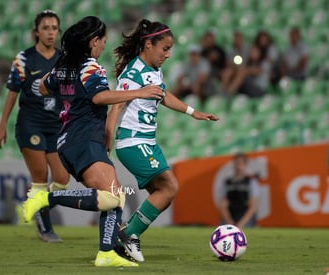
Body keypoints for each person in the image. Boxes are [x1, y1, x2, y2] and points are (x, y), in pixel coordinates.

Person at [22, 16, 165, 267]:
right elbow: (99, 97)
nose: (103, 47)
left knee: (115, 196)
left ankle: (105, 253)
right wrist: (139, 92)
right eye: (103, 42)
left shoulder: (64, 65)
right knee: (112, 197)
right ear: (93, 41)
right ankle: (45, 199)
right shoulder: (90, 66)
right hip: (84, 137)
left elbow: (43, 87)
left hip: (69, 140)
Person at [106, 19, 219, 263]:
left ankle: (126, 233)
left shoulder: (154, 70)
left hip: (147, 142)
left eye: (169, 49)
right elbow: (116, 105)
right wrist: (107, 137)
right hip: (133, 142)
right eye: (164, 49)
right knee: (170, 188)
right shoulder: (134, 72)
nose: (168, 54)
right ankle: (130, 234)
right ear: (148, 45)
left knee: (162, 195)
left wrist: (193, 112)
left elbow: (163, 95)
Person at [0, 10, 70, 242]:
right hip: (31, 123)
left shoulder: (63, 59)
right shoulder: (24, 58)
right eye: (45, 28)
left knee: (62, 179)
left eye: (54, 28)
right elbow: (12, 93)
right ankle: (45, 227)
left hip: (55, 125)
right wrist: (2, 125)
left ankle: (36, 203)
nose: (50, 32)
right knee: (40, 175)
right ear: (36, 31)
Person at [218, 153, 260, 228]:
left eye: (240, 163)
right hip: (230, 218)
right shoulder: (227, 182)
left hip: (245, 219)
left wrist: (241, 224)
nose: (238, 166)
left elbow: (253, 206)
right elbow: (223, 204)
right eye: (236, 163)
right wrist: (230, 222)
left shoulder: (251, 182)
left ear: (245, 164)